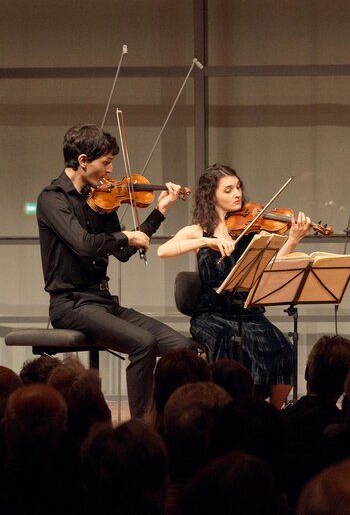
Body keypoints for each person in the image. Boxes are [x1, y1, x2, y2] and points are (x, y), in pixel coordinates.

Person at [36, 124, 198, 419]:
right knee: (143, 343)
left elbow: (123, 251)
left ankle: (171, 419)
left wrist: (159, 212)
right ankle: (142, 425)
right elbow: (84, 245)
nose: (110, 171)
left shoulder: (100, 200)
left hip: (103, 303)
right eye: (106, 163)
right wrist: (127, 236)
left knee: (183, 348)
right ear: (83, 160)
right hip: (70, 303)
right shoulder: (52, 199)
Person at [158, 163, 312, 408]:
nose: (237, 194)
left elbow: (270, 266)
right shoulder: (199, 231)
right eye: (228, 190)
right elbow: (163, 251)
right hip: (212, 316)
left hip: (248, 312)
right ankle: (225, 408)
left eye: (238, 187)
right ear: (212, 196)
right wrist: (205, 241)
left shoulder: (252, 231)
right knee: (227, 341)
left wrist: (292, 240)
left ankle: (272, 413)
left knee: (283, 348)